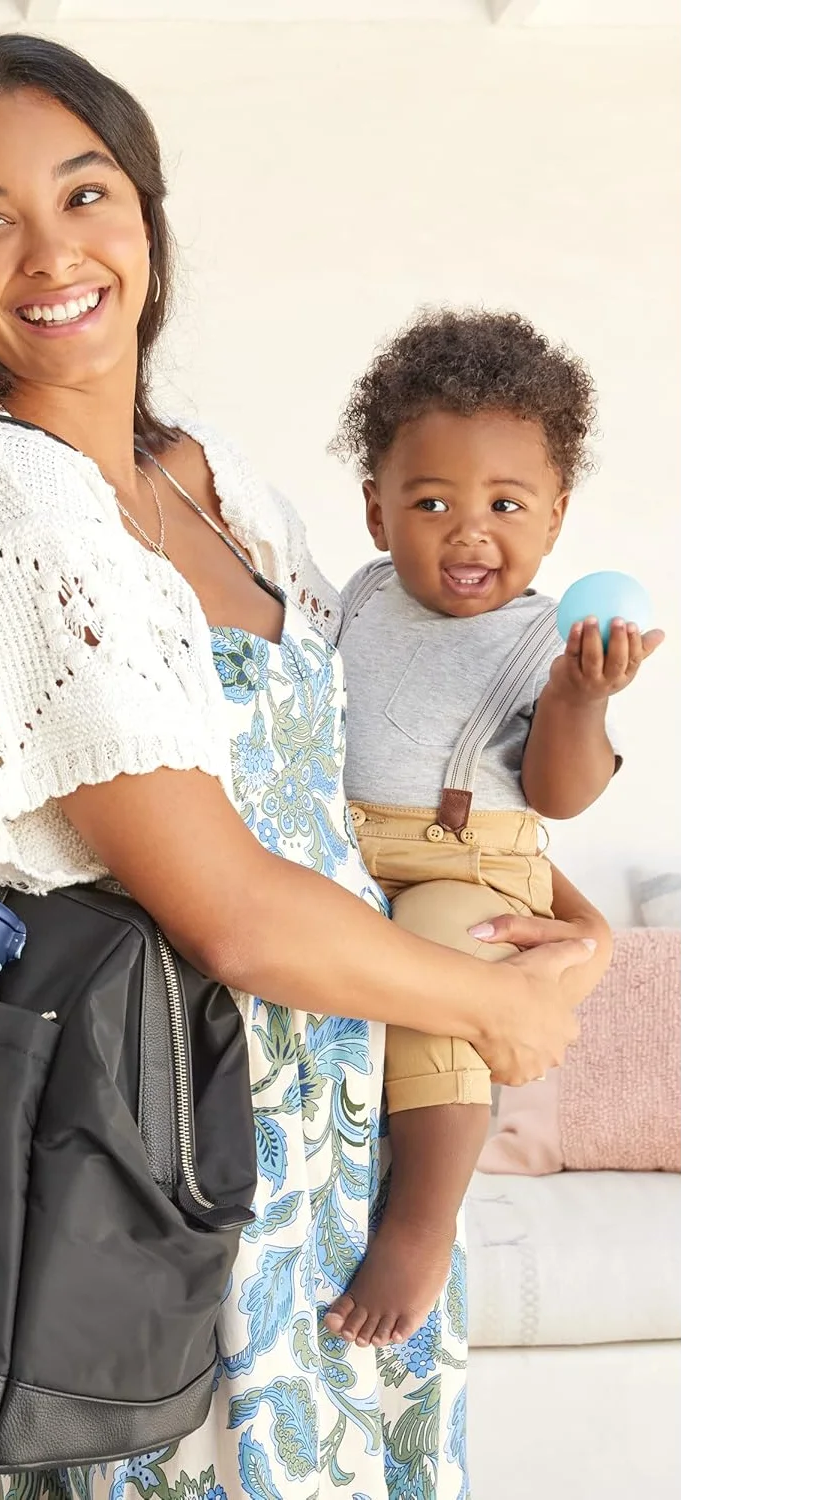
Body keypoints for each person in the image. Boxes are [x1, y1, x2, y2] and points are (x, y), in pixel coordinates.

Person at [0, 33, 610, 1500]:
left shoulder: (205, 476)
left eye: (86, 193)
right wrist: (496, 1007)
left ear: (147, 214)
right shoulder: (2, 498)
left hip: (334, 1143)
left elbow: (353, 783)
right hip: (170, 1178)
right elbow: (228, 908)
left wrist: (562, 911)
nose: (54, 252)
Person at [319, 307, 665, 1354]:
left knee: (439, 959)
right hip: (350, 858)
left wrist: (578, 697)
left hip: (472, 870)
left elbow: (558, 800)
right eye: (431, 502)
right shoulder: (360, 600)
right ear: (377, 514)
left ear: (556, 516)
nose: (471, 532)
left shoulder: (549, 641)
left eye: (506, 503)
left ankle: (423, 1220)